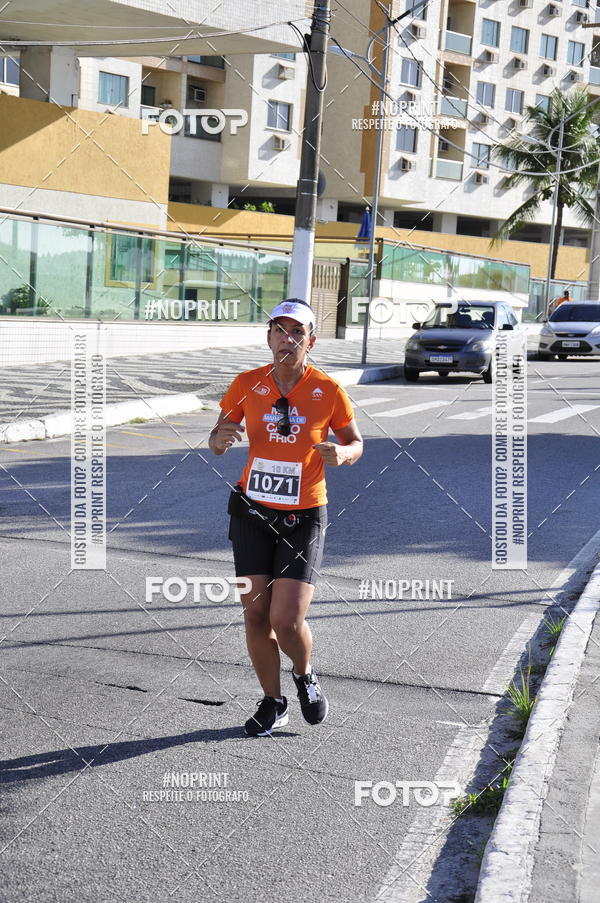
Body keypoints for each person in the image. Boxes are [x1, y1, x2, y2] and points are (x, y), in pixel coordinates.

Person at [209, 299, 363, 736]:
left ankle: (304, 673)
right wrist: (219, 439)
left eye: (298, 332)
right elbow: (218, 441)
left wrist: (345, 454)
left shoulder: (328, 390)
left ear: (311, 341)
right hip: (251, 512)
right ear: (269, 336)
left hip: (304, 515)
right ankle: (273, 702)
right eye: (280, 329)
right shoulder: (246, 383)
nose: (287, 338)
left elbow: (356, 441)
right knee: (254, 614)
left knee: (286, 618)